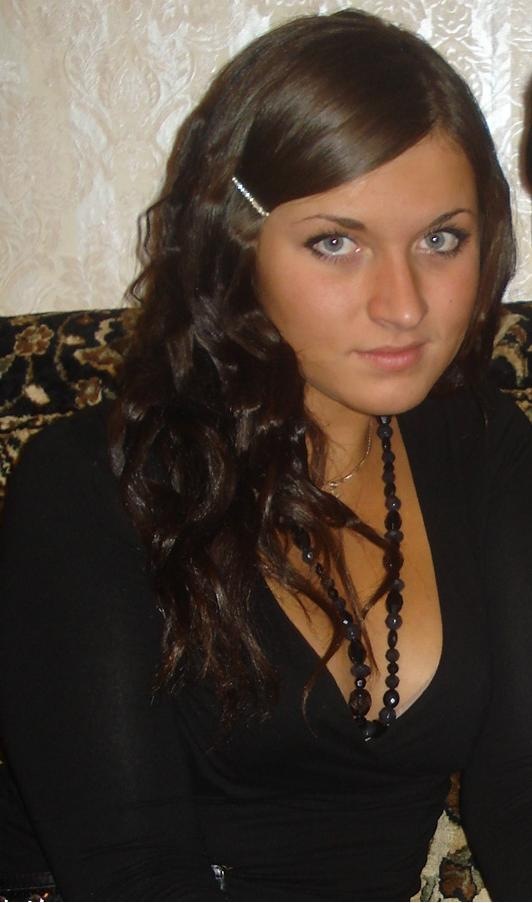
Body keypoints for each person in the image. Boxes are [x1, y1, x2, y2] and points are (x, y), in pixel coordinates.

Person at [1, 8, 532, 901]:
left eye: (441, 238)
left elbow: (521, 787)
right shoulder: (89, 486)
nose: (404, 304)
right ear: (234, 243)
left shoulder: (486, 446)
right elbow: (131, 870)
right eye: (336, 242)